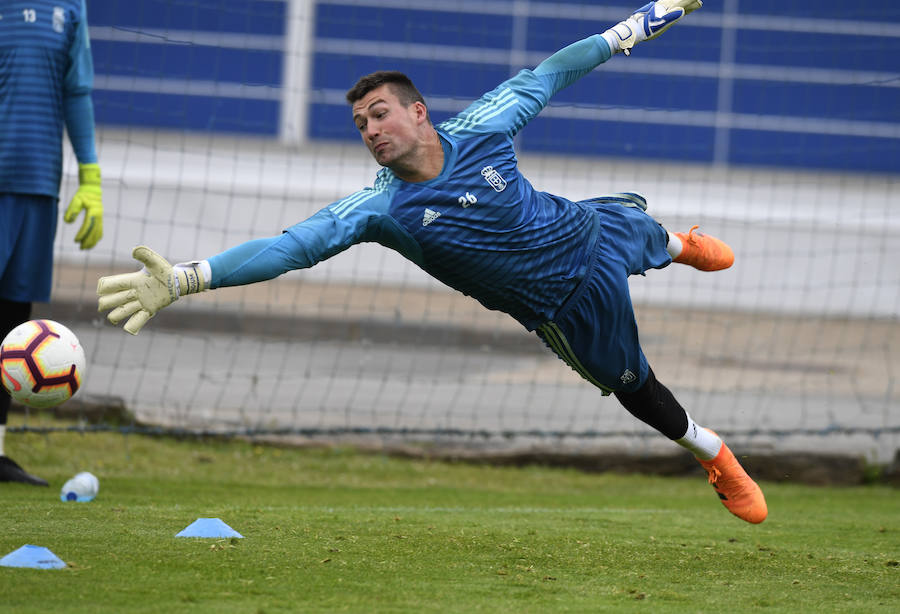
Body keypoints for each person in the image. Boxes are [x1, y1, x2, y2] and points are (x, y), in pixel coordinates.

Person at [96, 1, 767, 523]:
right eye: (360, 124)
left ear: (418, 113)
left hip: (589, 229)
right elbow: (289, 248)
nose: (370, 130)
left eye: (380, 114)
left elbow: (554, 72)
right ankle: (715, 454)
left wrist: (641, 23)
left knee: (643, 230)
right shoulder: (378, 208)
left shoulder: (482, 125)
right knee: (634, 388)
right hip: (564, 308)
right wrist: (187, 277)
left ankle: (680, 245)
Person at [1, 0, 104, 485]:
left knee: (10, 319)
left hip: (40, 183)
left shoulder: (70, 6)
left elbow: (76, 90)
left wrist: (90, 173)